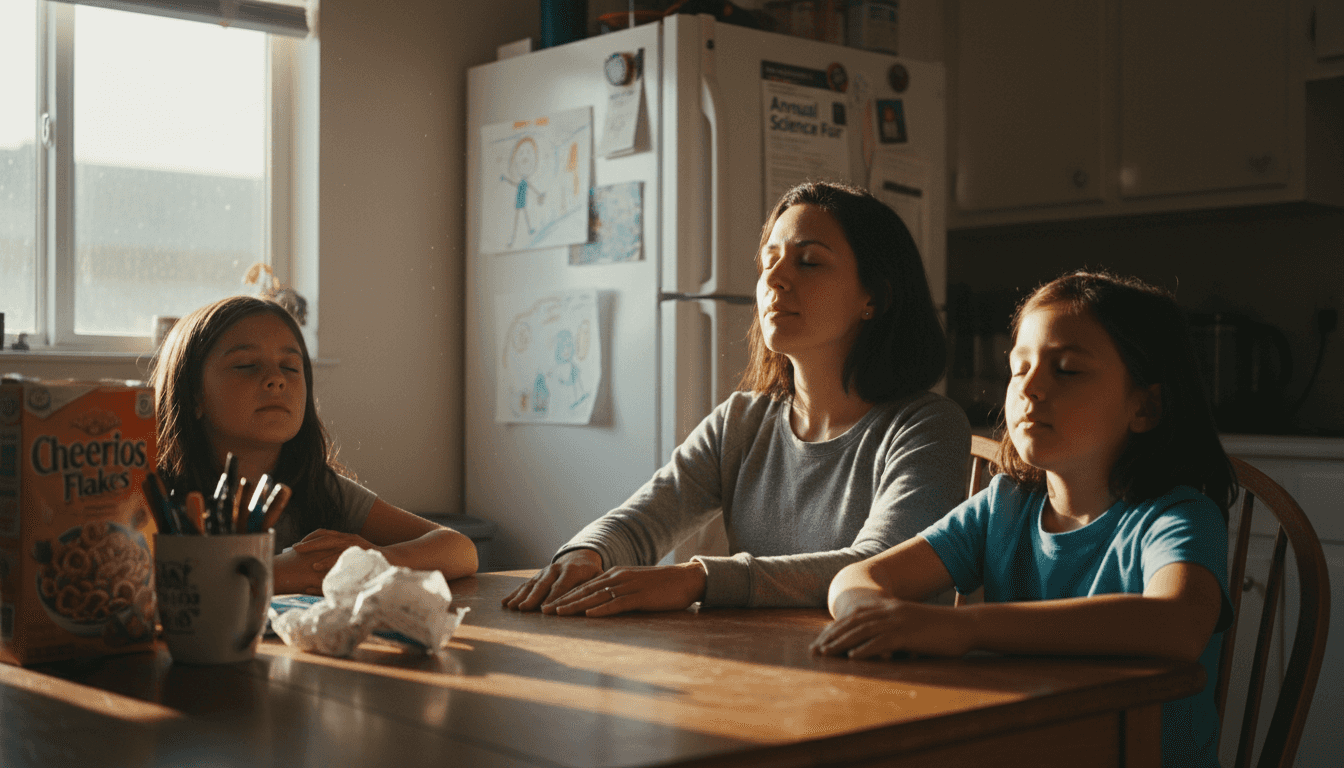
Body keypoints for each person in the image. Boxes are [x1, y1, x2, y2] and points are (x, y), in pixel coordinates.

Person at [812, 271, 1237, 768]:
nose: (1030, 387)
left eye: (1068, 370)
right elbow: (858, 577)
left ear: (1145, 406)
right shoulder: (1004, 505)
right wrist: (881, 617)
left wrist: (965, 628)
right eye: (1019, 368)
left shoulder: (1176, 516)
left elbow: (1178, 624)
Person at [503, 181, 971, 616]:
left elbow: (878, 566)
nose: (775, 278)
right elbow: (641, 521)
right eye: (768, 261)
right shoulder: (741, 421)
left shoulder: (927, 428)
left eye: (808, 261)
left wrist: (700, 579)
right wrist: (587, 554)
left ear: (876, 298)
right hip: (764, 674)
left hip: (879, 683)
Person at [152, 295, 478, 595]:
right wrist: (279, 573)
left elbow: (461, 549)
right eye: (246, 365)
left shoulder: (318, 487)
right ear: (193, 396)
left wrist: (378, 558)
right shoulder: (154, 493)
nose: (276, 378)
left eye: (291, 367)